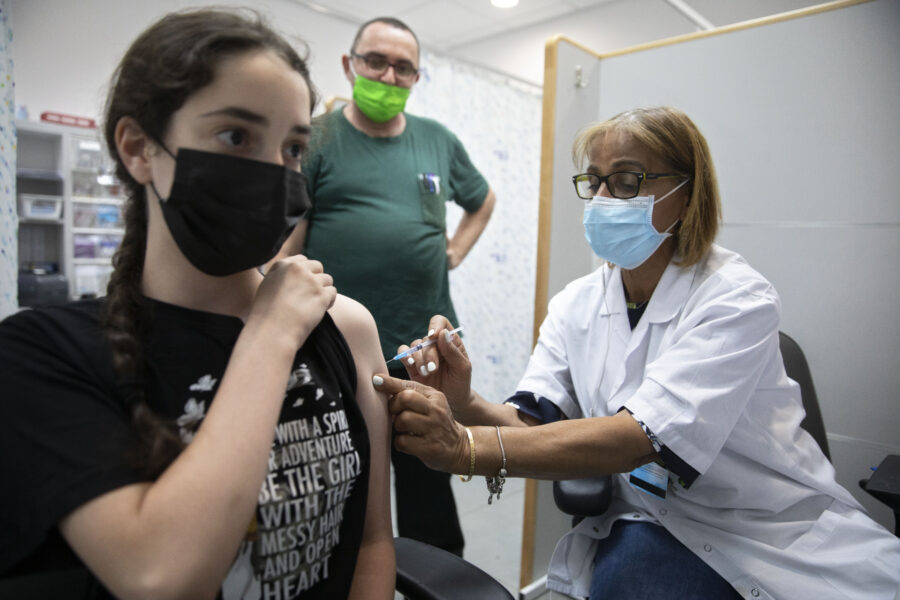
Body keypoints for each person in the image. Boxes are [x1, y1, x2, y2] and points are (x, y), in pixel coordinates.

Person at [373, 107, 900, 599]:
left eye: (627, 181)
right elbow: (531, 424)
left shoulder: (737, 297)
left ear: (688, 195)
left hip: (768, 525)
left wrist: (464, 446)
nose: (603, 198)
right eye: (595, 181)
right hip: (654, 520)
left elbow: (636, 440)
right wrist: (465, 402)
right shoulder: (576, 303)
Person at [0, 9, 394, 600]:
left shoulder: (347, 326)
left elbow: (371, 543)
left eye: (292, 147)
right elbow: (162, 577)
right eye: (236, 137)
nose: (274, 170)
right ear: (138, 149)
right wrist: (271, 329)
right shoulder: (41, 352)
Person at [280, 16, 495, 557]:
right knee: (346, 490)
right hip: (335, 351)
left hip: (421, 349)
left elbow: (481, 200)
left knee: (430, 490)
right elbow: (286, 245)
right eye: (376, 61)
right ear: (351, 65)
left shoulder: (437, 141)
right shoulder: (319, 138)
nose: (389, 75)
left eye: (403, 67)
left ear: (416, 78)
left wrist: (455, 250)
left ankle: (438, 584)